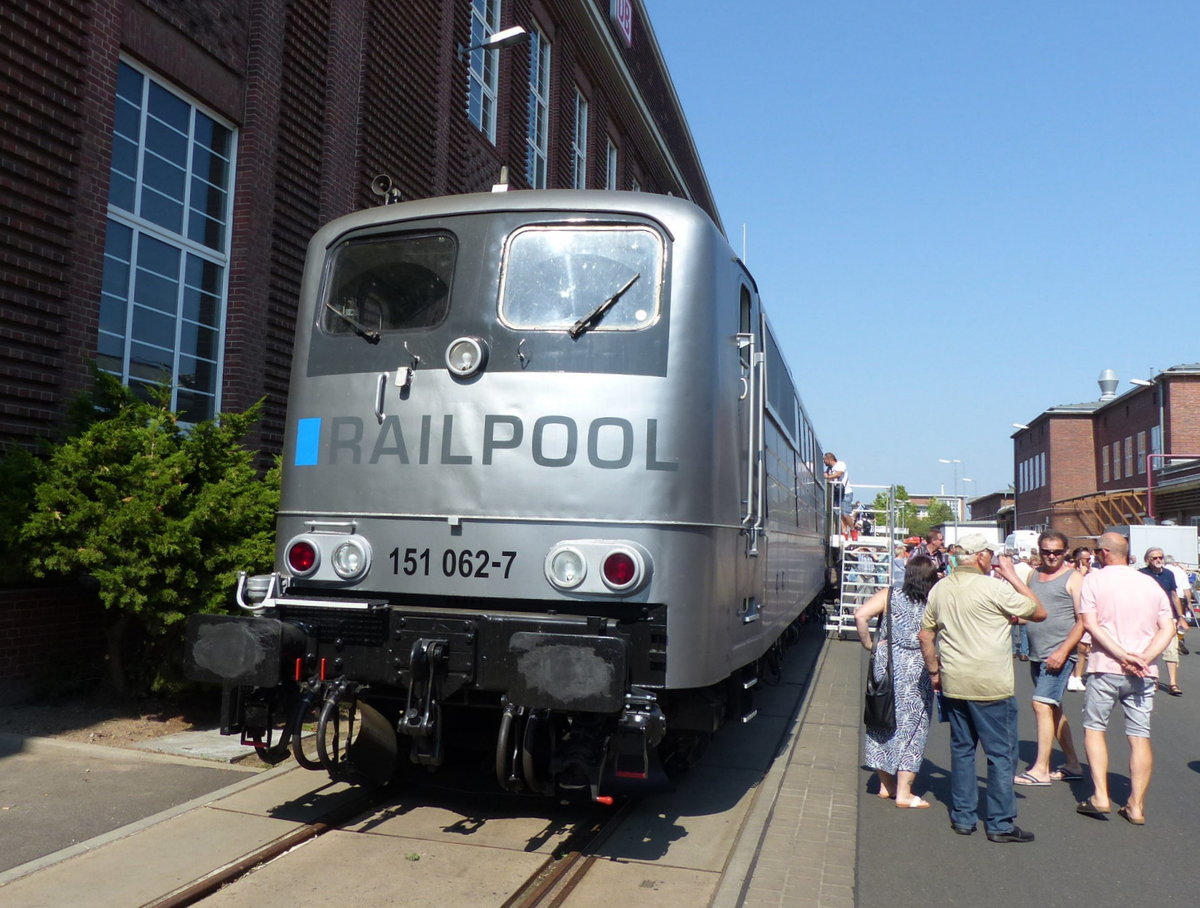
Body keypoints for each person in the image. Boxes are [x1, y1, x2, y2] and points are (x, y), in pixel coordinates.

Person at [919, 533, 1046, 842]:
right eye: (989, 554)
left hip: (954, 681)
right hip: (990, 684)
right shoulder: (994, 587)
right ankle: (1000, 823)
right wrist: (1014, 577)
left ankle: (963, 817)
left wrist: (935, 671)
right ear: (979, 557)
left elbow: (926, 634)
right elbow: (1038, 611)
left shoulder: (941, 588)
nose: (992, 559)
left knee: (962, 749)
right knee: (1001, 754)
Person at [1076, 532, 1176, 824]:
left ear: (1105, 552)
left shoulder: (1094, 580)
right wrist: (1143, 657)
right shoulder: (1150, 583)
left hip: (1105, 665)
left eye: (1097, 550)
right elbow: (1167, 628)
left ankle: (1100, 795)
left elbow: (1090, 624)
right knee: (1139, 736)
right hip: (1143, 671)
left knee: (1095, 728)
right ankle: (1135, 805)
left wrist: (1122, 655)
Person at [855, 555, 939, 809]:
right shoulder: (933, 601)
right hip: (917, 666)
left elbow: (861, 615)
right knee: (914, 726)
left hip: (888, 662)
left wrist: (870, 644)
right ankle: (904, 793)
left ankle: (886, 785)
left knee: (883, 718)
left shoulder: (890, 595)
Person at [1013, 530, 1085, 786]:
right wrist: (1013, 618)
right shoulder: (1034, 575)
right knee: (1053, 708)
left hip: (1058, 654)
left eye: (1056, 552)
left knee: (1041, 705)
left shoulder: (1074, 578)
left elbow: (1083, 621)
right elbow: (1033, 612)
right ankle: (1073, 763)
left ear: (1065, 551)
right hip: (1037, 652)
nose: (1052, 556)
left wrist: (1063, 651)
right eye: (1046, 551)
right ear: (1039, 550)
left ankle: (1041, 769)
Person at [1139, 547, 1185, 696]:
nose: (1159, 560)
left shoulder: (1168, 574)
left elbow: (1174, 595)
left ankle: (1173, 683)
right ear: (1147, 560)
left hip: (1167, 617)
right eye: (1155, 558)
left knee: (1171, 650)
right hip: (1148, 617)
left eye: (1161, 557)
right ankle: (1153, 679)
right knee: (1152, 648)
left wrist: (1181, 617)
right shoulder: (1141, 574)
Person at [1067, 546, 1094, 692]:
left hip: (1088, 614)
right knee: (1075, 647)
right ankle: (1071, 676)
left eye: (1090, 559)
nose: (1089, 562)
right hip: (1073, 615)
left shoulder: (1093, 573)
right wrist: (1081, 574)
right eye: (1086, 559)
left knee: (1083, 648)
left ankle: (1078, 676)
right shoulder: (1071, 573)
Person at [1163, 555, 1192, 654]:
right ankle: (1179, 639)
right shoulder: (1181, 572)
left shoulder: (1162, 571)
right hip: (1180, 598)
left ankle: (1168, 640)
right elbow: (1186, 589)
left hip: (1166, 598)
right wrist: (1189, 602)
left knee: (1167, 620)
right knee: (1180, 619)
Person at [823, 452, 854, 536]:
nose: (824, 462)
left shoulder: (840, 464)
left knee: (845, 513)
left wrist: (828, 477)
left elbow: (839, 473)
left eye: (824, 460)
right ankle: (844, 531)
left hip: (846, 492)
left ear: (829, 459)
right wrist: (826, 474)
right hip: (837, 493)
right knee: (839, 513)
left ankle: (853, 529)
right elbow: (825, 474)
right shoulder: (829, 468)